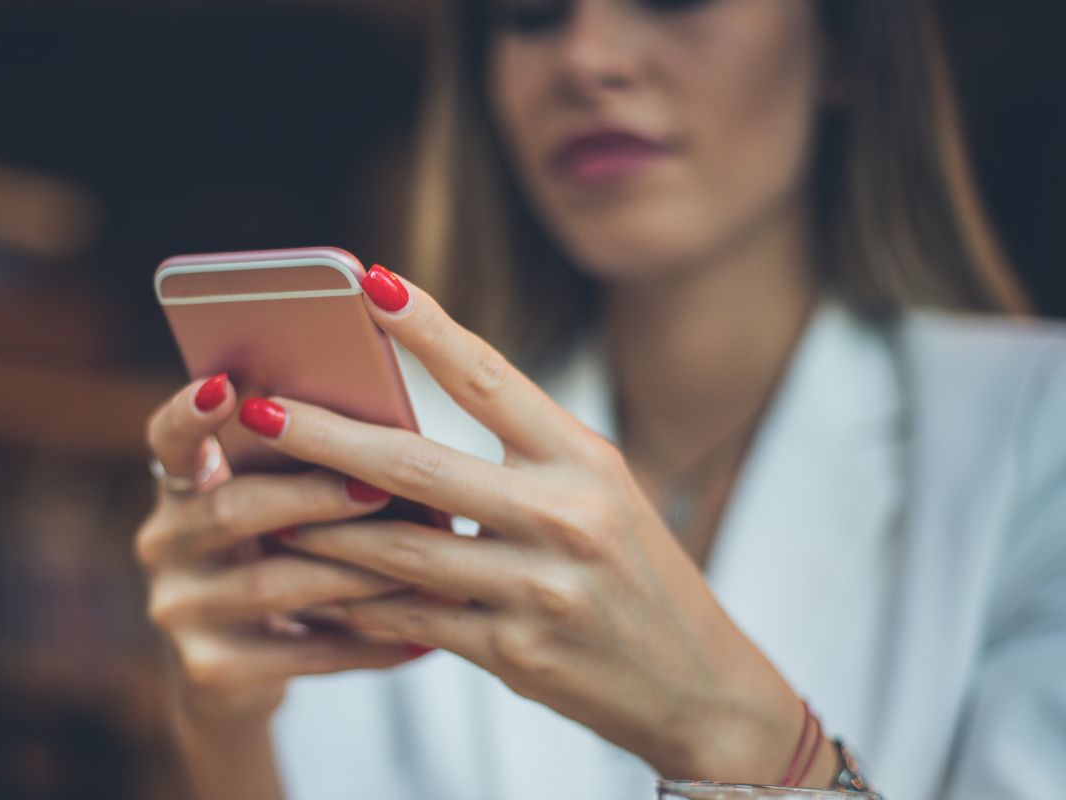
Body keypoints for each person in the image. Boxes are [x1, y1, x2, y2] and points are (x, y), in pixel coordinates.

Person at [135, 1, 1066, 798]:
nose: (587, 57)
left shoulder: (1037, 432)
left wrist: (750, 746)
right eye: (532, 10)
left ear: (843, 44)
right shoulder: (395, 449)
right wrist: (226, 730)